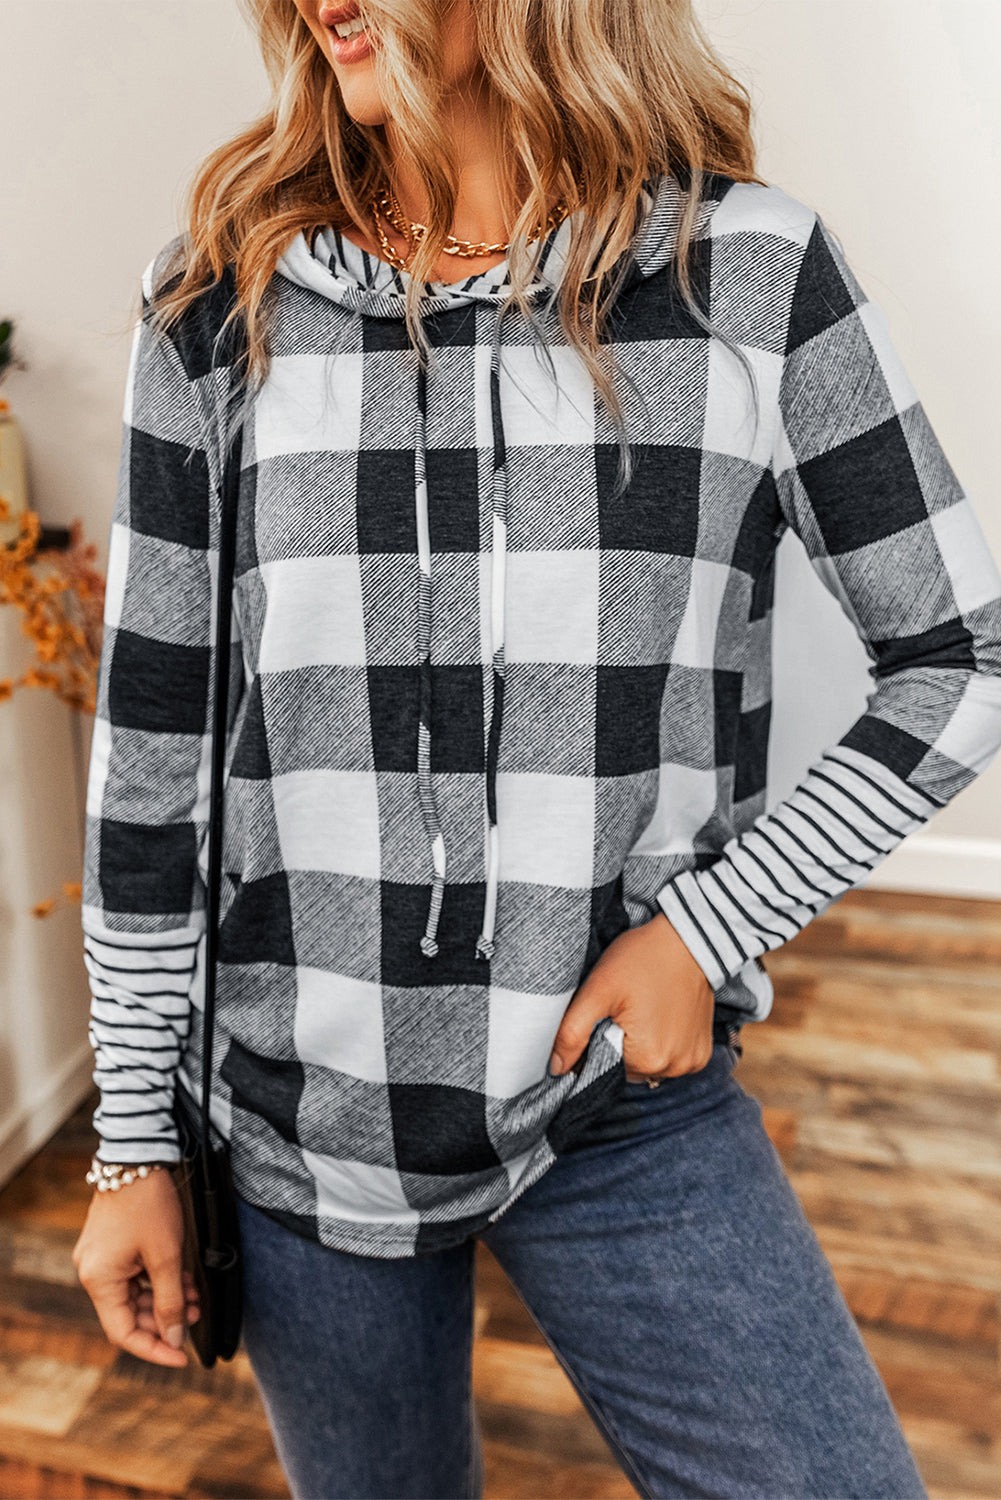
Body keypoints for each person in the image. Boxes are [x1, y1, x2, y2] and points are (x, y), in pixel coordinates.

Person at [72, 1, 1001, 1495]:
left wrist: (709, 931)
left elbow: (961, 651)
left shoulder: (745, 280)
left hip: (618, 1107)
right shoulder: (214, 302)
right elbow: (152, 763)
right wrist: (132, 1143)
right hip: (304, 1131)